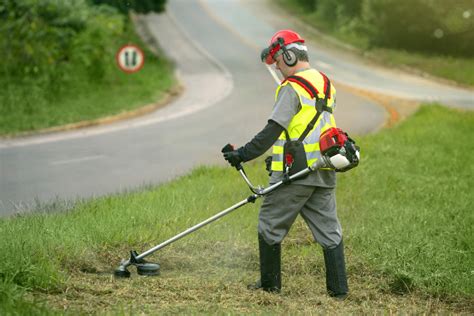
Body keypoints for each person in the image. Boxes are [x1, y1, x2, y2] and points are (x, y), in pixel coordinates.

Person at [222, 29, 348, 299]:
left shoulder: (292, 88)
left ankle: (270, 287)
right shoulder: (326, 83)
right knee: (329, 231)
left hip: (295, 173)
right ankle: (338, 291)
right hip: (324, 168)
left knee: (269, 224)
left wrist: (242, 154)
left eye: (278, 62)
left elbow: (272, 130)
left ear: (289, 56)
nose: (278, 69)